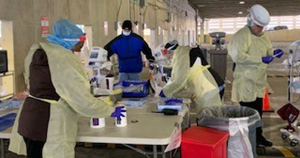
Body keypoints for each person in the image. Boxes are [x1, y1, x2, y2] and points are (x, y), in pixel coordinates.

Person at [9, 19, 125, 158]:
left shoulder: (39, 51)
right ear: (70, 39)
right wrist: (109, 110)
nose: (83, 43)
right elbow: (80, 100)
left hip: (30, 116)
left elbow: (35, 82)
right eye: (82, 39)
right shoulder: (63, 58)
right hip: (48, 123)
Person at [228, 4, 284, 147]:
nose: (261, 29)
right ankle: (247, 140)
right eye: (258, 26)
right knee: (248, 113)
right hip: (246, 81)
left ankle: (258, 137)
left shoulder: (262, 36)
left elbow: (267, 49)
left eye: (262, 27)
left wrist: (273, 53)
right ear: (250, 21)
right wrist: (260, 59)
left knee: (258, 112)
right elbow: (238, 57)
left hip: (258, 81)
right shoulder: (241, 36)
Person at [159, 41, 222, 114]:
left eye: (167, 55)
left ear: (171, 51)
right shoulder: (183, 52)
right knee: (207, 115)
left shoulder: (181, 56)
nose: (168, 57)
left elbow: (179, 81)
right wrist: (161, 67)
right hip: (211, 83)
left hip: (209, 87)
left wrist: (165, 91)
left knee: (209, 116)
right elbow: (176, 68)